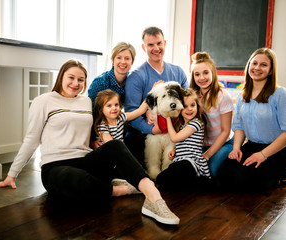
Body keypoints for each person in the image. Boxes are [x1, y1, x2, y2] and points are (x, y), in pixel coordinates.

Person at [0, 59, 180, 225]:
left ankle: (154, 198)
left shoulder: (85, 102)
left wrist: (148, 107)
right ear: (61, 76)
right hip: (55, 166)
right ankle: (121, 189)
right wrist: (12, 175)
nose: (75, 83)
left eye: (80, 80)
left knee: (114, 145)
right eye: (71, 77)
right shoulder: (44, 101)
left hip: (84, 161)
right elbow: (31, 139)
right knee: (74, 181)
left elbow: (98, 125)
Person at [218, 48, 286, 191]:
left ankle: (283, 174)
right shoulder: (242, 96)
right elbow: (239, 126)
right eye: (254, 63)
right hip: (252, 146)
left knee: (243, 181)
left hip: (278, 150)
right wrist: (236, 148)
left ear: (271, 70)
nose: (257, 68)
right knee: (223, 175)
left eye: (263, 65)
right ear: (249, 66)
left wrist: (263, 155)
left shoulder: (281, 95)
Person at [124, 26, 189, 165]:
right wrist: (153, 129)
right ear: (144, 47)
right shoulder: (136, 77)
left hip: (175, 129)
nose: (156, 48)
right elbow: (131, 114)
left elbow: (188, 104)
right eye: (150, 45)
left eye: (159, 43)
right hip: (146, 131)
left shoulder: (178, 72)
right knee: (132, 142)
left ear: (164, 43)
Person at [190, 52, 234, 178]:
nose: (201, 78)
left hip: (224, 142)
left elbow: (225, 131)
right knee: (193, 170)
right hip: (202, 144)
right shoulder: (193, 96)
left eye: (205, 73)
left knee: (211, 172)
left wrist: (208, 154)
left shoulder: (223, 95)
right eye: (197, 74)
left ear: (213, 73)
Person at [156, 89, 211, 189]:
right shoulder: (181, 125)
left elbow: (174, 138)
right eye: (185, 106)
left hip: (192, 163)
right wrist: (175, 150)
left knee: (181, 168)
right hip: (181, 161)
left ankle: (203, 181)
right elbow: (185, 142)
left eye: (192, 105)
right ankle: (191, 184)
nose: (189, 109)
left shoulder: (196, 123)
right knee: (160, 178)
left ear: (197, 106)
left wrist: (168, 118)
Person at [88, 42, 136, 108]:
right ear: (113, 60)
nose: (123, 62)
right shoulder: (99, 83)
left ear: (132, 62)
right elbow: (92, 112)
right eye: (119, 58)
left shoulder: (134, 82)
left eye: (127, 58)